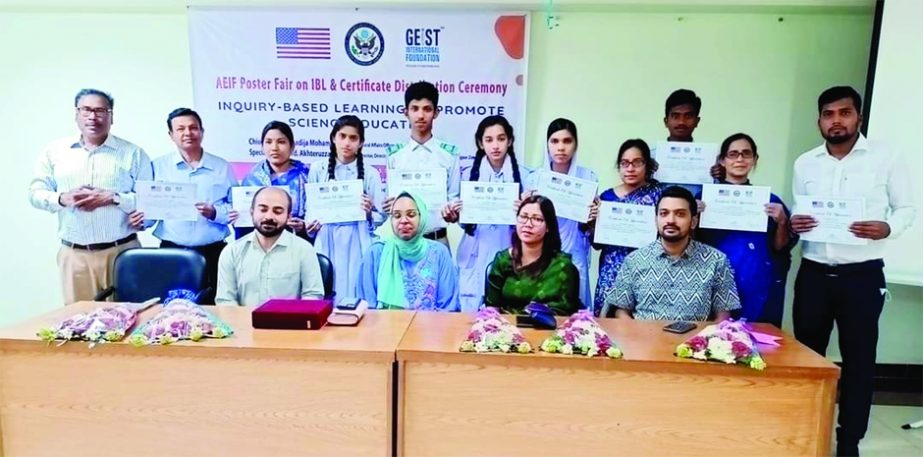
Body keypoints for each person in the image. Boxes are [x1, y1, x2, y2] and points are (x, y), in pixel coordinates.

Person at [790, 86, 914, 457]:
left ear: (858, 117)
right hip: (813, 274)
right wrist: (797, 222)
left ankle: (849, 442)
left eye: (845, 113)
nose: (836, 120)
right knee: (808, 359)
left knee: (859, 362)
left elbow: (906, 207)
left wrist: (888, 227)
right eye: (829, 114)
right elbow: (801, 210)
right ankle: (805, 431)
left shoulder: (885, 157)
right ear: (819, 121)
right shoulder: (805, 162)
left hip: (861, 276)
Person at [29, 88, 152, 304]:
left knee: (131, 319)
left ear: (111, 116)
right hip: (75, 255)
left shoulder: (134, 153)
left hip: (122, 252)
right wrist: (62, 198)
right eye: (86, 110)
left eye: (100, 110)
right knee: (79, 325)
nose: (92, 116)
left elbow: (149, 200)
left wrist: (114, 198)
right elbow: (35, 193)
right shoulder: (55, 151)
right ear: (76, 114)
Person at [132, 108, 236, 304]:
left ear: (202, 132)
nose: (188, 133)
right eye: (180, 129)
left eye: (193, 128)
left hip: (213, 252)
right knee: (170, 309)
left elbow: (235, 208)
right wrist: (141, 221)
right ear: (171, 135)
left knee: (215, 306)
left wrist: (215, 213)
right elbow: (151, 210)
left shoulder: (222, 166)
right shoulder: (157, 166)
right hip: (172, 251)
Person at [696, 133, 796, 327]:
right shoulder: (704, 198)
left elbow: (780, 247)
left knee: (757, 345)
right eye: (733, 154)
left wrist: (783, 222)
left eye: (746, 154)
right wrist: (693, 214)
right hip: (712, 281)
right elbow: (687, 243)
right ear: (722, 161)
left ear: (755, 160)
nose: (740, 159)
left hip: (755, 282)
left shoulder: (770, 201)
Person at [601, 186, 740, 321]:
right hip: (644, 341)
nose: (671, 220)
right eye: (664, 213)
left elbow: (723, 316)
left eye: (680, 214)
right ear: (656, 221)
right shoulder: (634, 260)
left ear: (693, 222)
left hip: (695, 342)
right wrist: (637, 336)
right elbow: (620, 310)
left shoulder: (716, 260)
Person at [442, 115, 529, 312]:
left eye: (501, 138)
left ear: (510, 141)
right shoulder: (467, 175)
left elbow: (533, 221)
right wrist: (455, 216)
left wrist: (524, 211)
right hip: (474, 251)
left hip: (509, 250)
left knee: (507, 315)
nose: (495, 145)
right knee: (469, 316)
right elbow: (464, 222)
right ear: (480, 143)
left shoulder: (526, 176)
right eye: (489, 140)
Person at [305, 115, 386, 298]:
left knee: (356, 287)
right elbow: (311, 208)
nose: (347, 143)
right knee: (325, 284)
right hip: (326, 236)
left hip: (358, 237)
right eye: (342, 136)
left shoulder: (371, 173)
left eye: (353, 138)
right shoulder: (318, 169)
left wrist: (369, 213)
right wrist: (310, 226)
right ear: (333, 138)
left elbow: (381, 216)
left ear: (361, 142)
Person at [524, 118, 598, 309]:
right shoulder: (534, 179)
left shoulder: (588, 178)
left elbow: (592, 229)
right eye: (554, 141)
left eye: (567, 141)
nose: (561, 147)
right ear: (547, 145)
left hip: (575, 252)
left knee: (576, 313)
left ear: (575, 145)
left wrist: (594, 217)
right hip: (541, 255)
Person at [215, 187, 324, 306]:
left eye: (277, 211)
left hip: (291, 323)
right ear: (252, 212)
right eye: (263, 209)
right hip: (242, 322)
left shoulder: (304, 249)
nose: (269, 217)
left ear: (288, 216)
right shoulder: (231, 251)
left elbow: (313, 296)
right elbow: (225, 301)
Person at [384, 81, 460, 245]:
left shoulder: (449, 155)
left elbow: (454, 197)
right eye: (415, 108)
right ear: (406, 112)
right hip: (403, 244)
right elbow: (391, 202)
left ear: (436, 113)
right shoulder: (395, 156)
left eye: (427, 109)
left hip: (437, 240)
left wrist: (452, 212)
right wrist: (388, 205)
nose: (420, 115)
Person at [593, 139, 662, 316]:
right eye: (625, 163)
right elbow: (597, 244)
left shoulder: (658, 194)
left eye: (636, 162)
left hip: (648, 271)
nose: (630, 168)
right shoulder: (606, 197)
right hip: (611, 272)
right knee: (607, 330)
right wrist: (591, 221)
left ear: (647, 165)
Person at [356, 192, 459, 311]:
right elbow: (367, 306)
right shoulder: (376, 252)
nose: (404, 220)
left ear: (422, 217)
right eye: (397, 215)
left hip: (431, 327)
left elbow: (448, 307)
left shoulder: (439, 253)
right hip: (385, 327)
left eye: (411, 214)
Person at [484, 195, 581, 316]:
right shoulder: (502, 260)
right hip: (508, 329)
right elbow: (492, 308)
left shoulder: (563, 265)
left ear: (548, 227)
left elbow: (567, 312)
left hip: (550, 329)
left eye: (537, 219)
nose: (528, 224)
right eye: (523, 217)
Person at [237, 121, 310, 239]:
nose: (274, 148)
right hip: (260, 242)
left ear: (291, 146)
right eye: (268, 142)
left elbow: (317, 215)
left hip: (297, 242)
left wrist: (303, 225)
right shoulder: (252, 178)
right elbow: (246, 219)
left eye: (281, 142)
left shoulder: (306, 176)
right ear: (262, 146)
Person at [655, 89, 722, 195]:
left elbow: (716, 197)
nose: (681, 122)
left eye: (688, 116)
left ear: (697, 121)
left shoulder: (711, 160)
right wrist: (645, 172)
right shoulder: (650, 157)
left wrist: (722, 178)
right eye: (675, 116)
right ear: (666, 121)